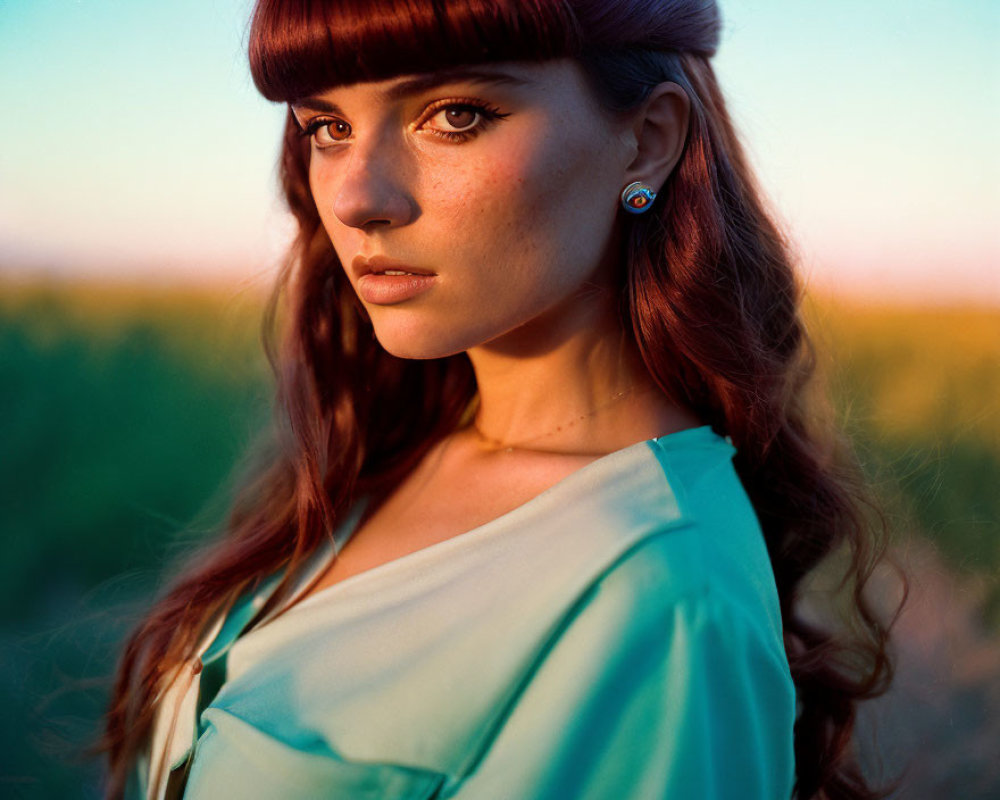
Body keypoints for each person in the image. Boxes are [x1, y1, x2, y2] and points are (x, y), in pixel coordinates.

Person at [101, 1, 897, 798]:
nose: (355, 198)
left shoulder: (660, 601)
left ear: (648, 140)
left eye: (454, 115)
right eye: (328, 127)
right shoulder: (400, 449)